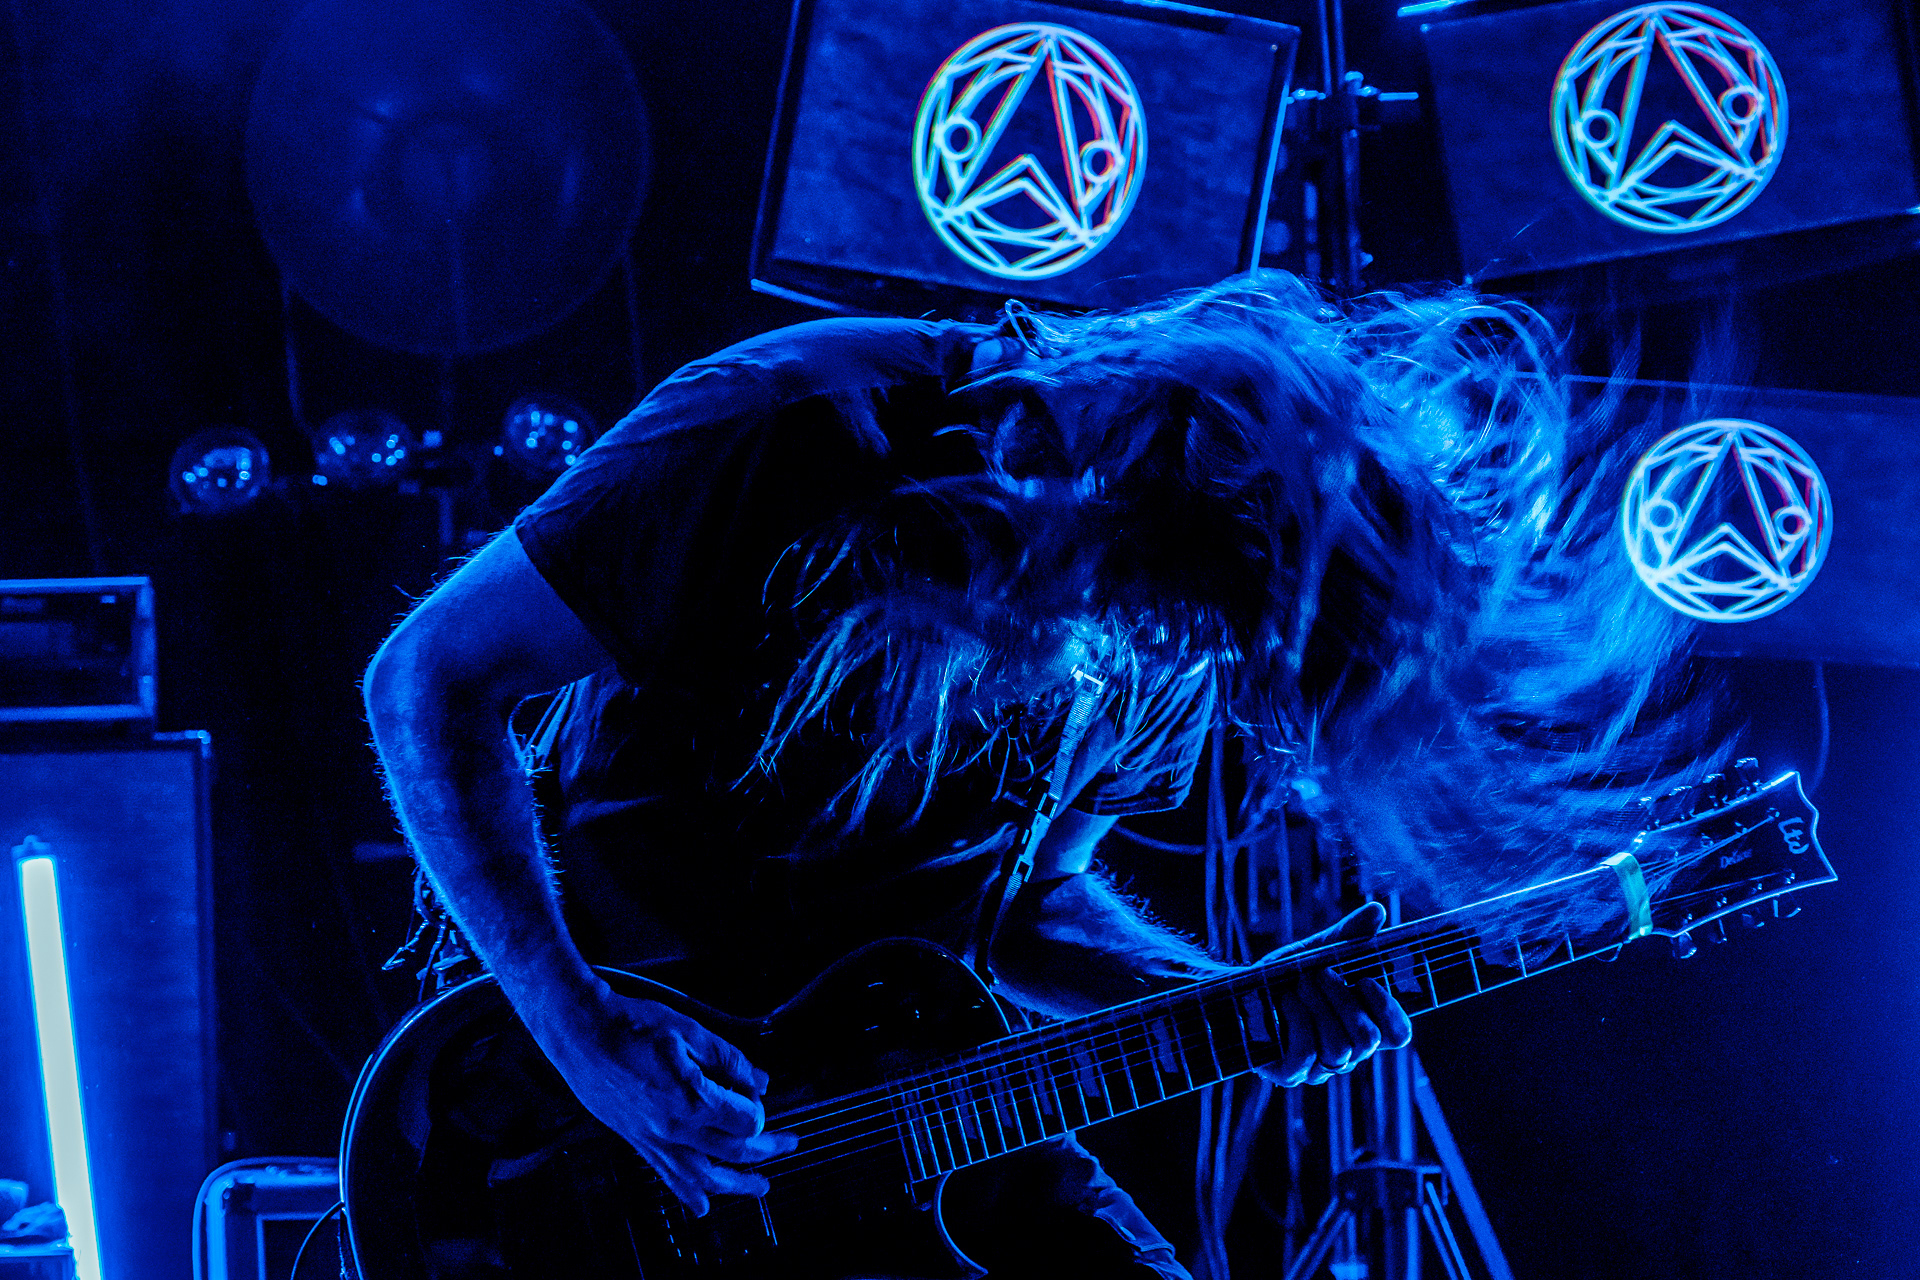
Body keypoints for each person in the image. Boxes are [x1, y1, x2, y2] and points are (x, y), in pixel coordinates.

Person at [363, 273, 1706, 1278]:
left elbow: (1027, 905)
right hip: (615, 1118)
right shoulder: (790, 423)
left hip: (908, 1104)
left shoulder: (1173, 623)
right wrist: (581, 1029)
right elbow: (428, 677)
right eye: (1138, 602)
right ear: (1112, 476)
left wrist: (1217, 1002)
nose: (1146, 647)